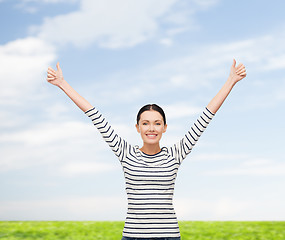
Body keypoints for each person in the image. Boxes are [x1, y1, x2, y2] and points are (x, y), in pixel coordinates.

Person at [47, 60, 246, 240]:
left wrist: (231, 81)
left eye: (157, 123)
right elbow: (94, 115)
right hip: (133, 236)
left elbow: (206, 116)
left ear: (165, 128)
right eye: (146, 123)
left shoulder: (175, 154)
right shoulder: (126, 153)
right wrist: (63, 84)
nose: (151, 128)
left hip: (168, 236)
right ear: (138, 127)